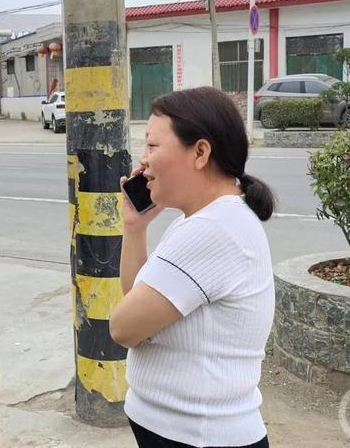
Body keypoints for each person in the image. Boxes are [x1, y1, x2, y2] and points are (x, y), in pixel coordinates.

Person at [110, 87, 275, 448]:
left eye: (153, 146)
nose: (143, 160)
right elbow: (140, 304)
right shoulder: (203, 220)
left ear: (200, 152)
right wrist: (135, 227)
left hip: (200, 437)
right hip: (188, 432)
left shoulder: (212, 230)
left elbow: (123, 327)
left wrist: (135, 325)